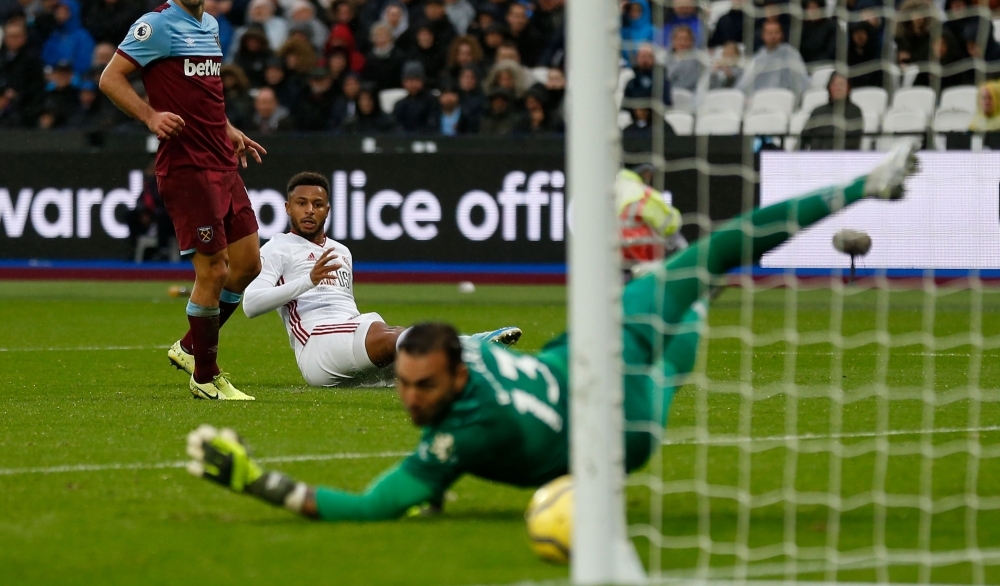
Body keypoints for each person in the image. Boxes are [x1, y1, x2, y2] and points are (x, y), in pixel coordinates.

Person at [186, 146, 921, 520]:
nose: (410, 402)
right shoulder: (453, 433)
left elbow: (373, 506)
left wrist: (259, 482)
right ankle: (675, 282)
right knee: (686, 308)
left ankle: (853, 189)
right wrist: (259, 481)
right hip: (617, 420)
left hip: (569, 358)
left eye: (420, 385)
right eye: (408, 388)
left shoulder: (448, 440)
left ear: (454, 374)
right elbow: (370, 506)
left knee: (710, 257)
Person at [99, 0, 267, 401]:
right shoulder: (154, 26)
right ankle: (205, 376)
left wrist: (229, 129)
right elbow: (110, 78)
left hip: (222, 162)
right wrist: (151, 116)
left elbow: (203, 97)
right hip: (188, 167)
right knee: (213, 270)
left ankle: (190, 347)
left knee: (248, 264)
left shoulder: (209, 25)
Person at [241, 172, 522, 387]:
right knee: (387, 335)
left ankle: (479, 374)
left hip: (349, 334)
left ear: (328, 209)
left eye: (317, 204)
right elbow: (250, 305)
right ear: (288, 207)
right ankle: (471, 346)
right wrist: (307, 282)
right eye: (302, 204)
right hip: (316, 347)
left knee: (409, 354)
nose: (310, 210)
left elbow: (345, 306)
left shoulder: (341, 251)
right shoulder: (277, 247)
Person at [617, 163, 683, 279]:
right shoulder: (642, 192)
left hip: (609, 250)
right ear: (643, 172)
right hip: (637, 247)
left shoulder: (608, 189)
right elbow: (671, 223)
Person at [736, 19, 809, 95]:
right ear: (763, 35)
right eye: (769, 33)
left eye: (776, 32)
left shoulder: (791, 53)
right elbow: (745, 83)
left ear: (781, 34)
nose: (773, 36)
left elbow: (801, 81)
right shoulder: (758, 57)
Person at [801, 73, 864, 150]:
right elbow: (802, 139)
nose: (838, 88)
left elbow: (854, 142)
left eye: (842, 84)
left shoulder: (855, 111)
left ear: (848, 88)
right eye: (835, 84)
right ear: (829, 87)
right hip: (816, 158)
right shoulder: (818, 111)